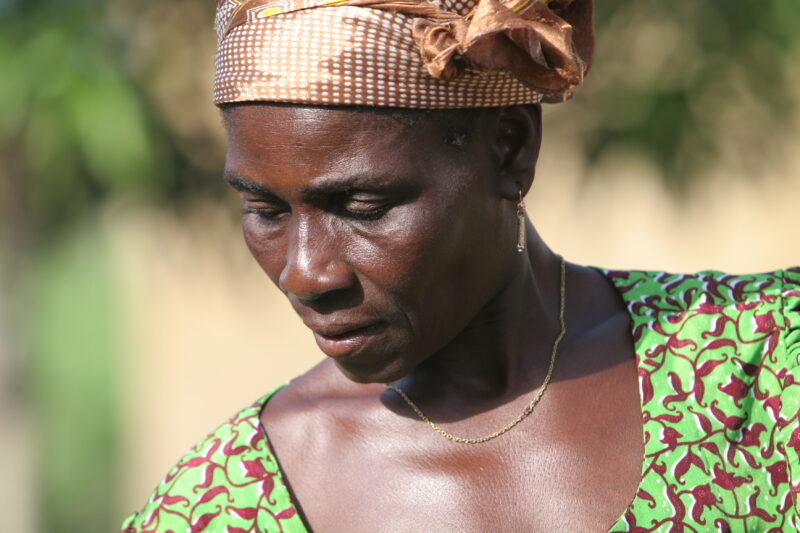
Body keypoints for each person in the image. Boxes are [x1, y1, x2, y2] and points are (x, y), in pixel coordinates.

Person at [121, 0, 800, 531]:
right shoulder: (222, 505)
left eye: (361, 206)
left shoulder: (761, 370)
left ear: (510, 149)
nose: (305, 274)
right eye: (265, 210)